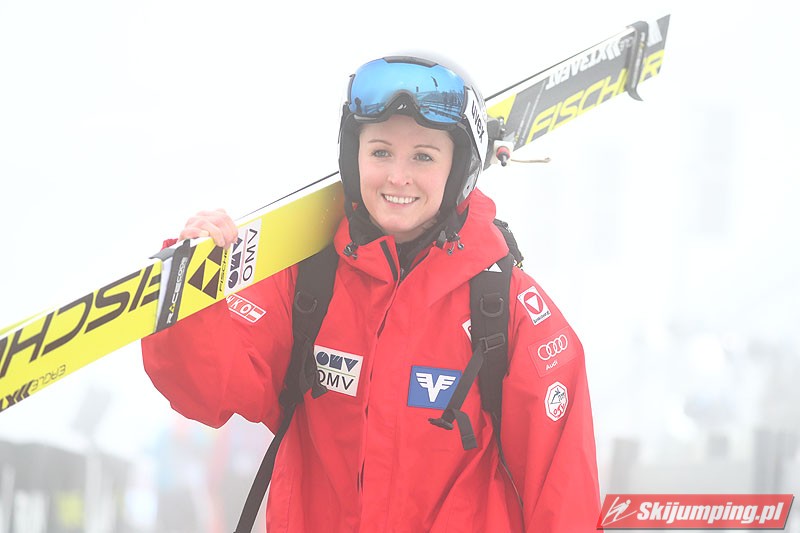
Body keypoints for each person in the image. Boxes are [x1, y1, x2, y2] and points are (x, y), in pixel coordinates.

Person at [141, 55, 601, 532]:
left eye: (423, 156)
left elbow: (564, 497)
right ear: (353, 156)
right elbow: (208, 390)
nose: (397, 177)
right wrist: (192, 290)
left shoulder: (506, 308)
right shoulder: (309, 283)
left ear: (459, 167)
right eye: (381, 152)